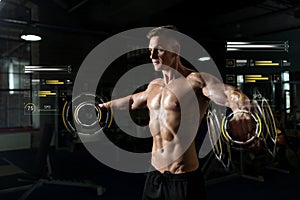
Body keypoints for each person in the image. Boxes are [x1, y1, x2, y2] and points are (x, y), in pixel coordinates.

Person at [100, 25, 253, 200]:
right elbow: (133, 101)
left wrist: (240, 110)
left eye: (158, 49)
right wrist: (103, 107)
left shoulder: (196, 81)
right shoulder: (154, 86)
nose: (152, 55)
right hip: (155, 175)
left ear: (175, 50)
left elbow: (229, 93)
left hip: (183, 178)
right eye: (150, 50)